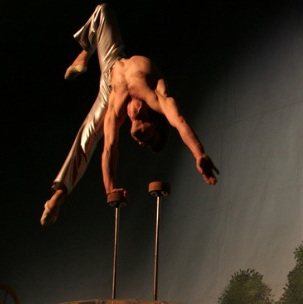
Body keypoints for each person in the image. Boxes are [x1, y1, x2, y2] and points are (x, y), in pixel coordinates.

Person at [41, 3, 218, 226]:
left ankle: (58, 196)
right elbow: (179, 122)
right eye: (149, 138)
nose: (142, 143)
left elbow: (109, 149)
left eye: (145, 143)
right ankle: (84, 54)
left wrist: (110, 188)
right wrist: (199, 153)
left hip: (111, 89)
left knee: (87, 135)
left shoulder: (115, 111)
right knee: (103, 11)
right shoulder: (156, 95)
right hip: (115, 61)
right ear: (154, 122)